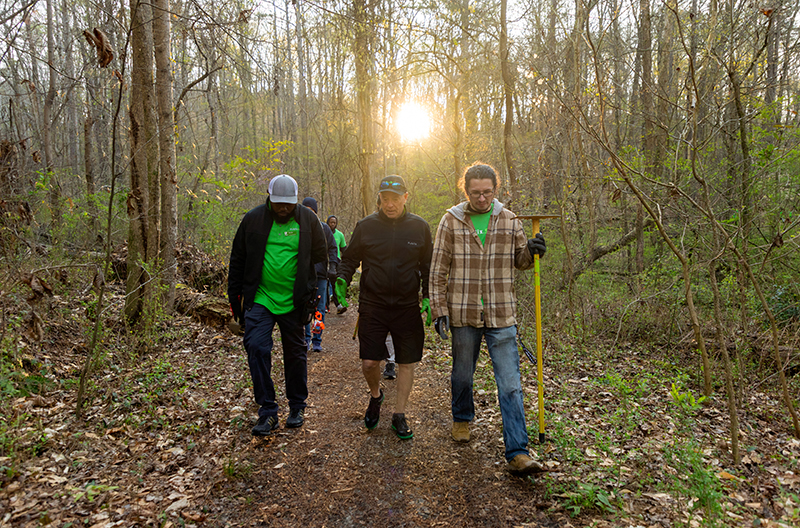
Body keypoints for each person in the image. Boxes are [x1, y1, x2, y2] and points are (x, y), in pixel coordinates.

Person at [429, 162, 548, 475]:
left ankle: (518, 451)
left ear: (496, 190)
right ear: (465, 191)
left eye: (487, 192)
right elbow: (437, 268)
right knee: (462, 375)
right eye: (475, 192)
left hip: (501, 312)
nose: (481, 198)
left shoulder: (509, 220)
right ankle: (462, 418)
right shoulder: (451, 220)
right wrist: (439, 309)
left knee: (510, 384)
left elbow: (521, 260)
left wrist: (534, 250)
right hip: (463, 311)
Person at [228, 174, 328, 436]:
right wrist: (234, 301)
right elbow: (237, 259)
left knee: (295, 353)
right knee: (256, 347)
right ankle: (268, 410)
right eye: (278, 203)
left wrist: (311, 291)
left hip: (294, 301)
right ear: (269, 199)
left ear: (295, 201)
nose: (283, 208)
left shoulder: (308, 220)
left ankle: (297, 405)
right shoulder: (253, 220)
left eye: (288, 204)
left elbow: (320, 256)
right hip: (260, 297)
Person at [336, 175, 433, 439]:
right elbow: (350, 258)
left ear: (405, 197)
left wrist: (428, 295)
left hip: (407, 305)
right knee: (369, 362)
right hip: (373, 303)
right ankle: (376, 396)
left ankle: (399, 414)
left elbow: (428, 265)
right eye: (385, 199)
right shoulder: (366, 226)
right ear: (379, 198)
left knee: (406, 361)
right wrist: (342, 278)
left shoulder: (419, 227)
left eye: (395, 199)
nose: (389, 204)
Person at [302, 197, 339, 352]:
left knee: (319, 309)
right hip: (303, 276)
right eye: (305, 210)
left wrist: (332, 267)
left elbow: (332, 248)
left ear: (316, 212)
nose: (308, 214)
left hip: (321, 275)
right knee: (304, 308)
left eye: (311, 211)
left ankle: (317, 340)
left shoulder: (324, 228)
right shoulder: (298, 227)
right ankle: (305, 339)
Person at [326, 215, 348, 314]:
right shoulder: (323, 233)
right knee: (325, 284)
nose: (332, 224)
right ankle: (325, 305)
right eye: (331, 222)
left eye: (334, 222)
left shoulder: (340, 235)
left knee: (335, 283)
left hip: (336, 261)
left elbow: (344, 249)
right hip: (325, 262)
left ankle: (338, 305)